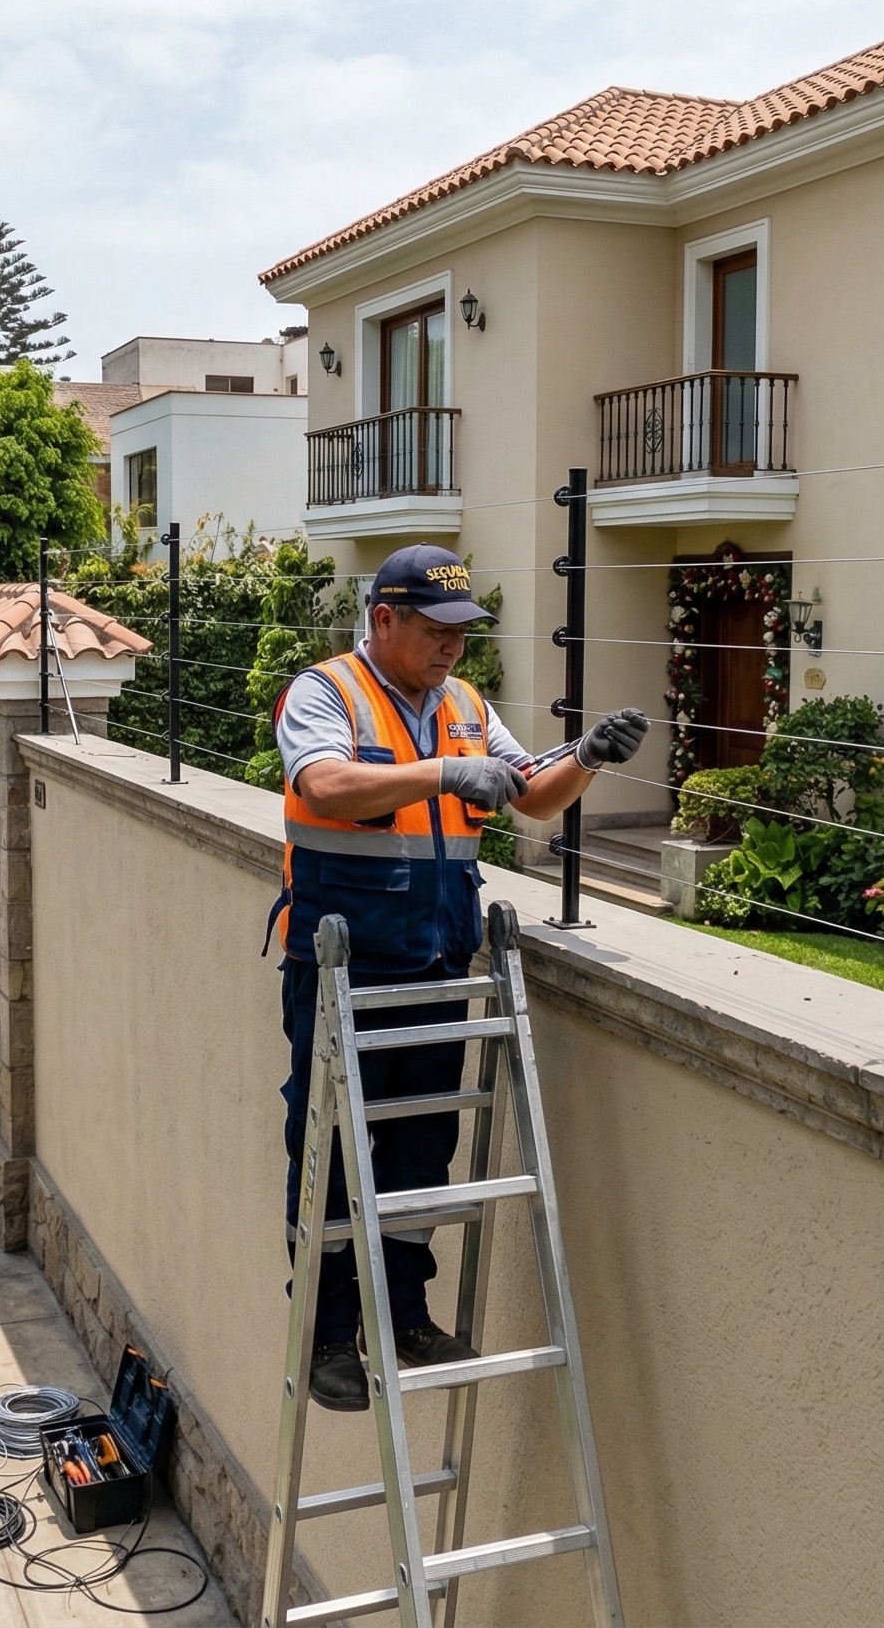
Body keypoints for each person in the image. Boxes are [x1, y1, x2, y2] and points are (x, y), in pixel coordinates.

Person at [268, 544, 648, 1410]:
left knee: (416, 1154)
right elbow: (323, 787)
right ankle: (329, 1336)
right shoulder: (324, 691)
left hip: (439, 963)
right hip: (342, 971)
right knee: (327, 1155)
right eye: (436, 630)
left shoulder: (466, 705)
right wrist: (445, 773)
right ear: (385, 619)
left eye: (463, 633)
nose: (452, 648)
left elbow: (531, 795)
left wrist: (585, 754)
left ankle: (402, 1318)